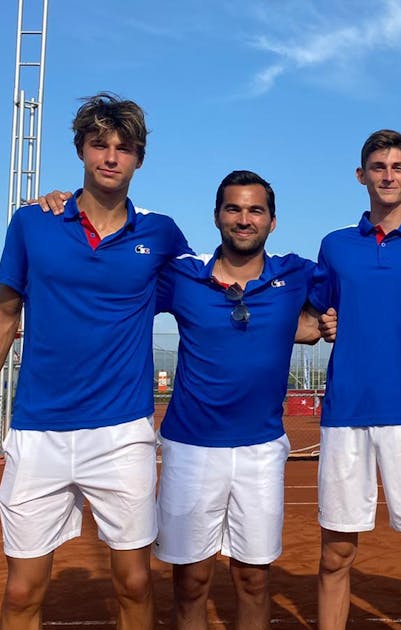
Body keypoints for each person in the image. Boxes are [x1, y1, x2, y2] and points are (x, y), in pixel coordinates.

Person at [0, 93, 189, 629]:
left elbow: (212, 292)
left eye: (124, 148)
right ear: (81, 151)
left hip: (122, 432)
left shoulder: (161, 234)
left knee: (135, 582)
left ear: (139, 158)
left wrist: (304, 323)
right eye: (99, 145)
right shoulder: (32, 222)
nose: (111, 157)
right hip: (38, 430)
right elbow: (3, 314)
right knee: (22, 591)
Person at [152, 170, 323, 630]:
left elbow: (368, 284)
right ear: (216, 216)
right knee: (190, 584)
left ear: (272, 221)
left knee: (253, 581)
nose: (243, 219)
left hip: (261, 450)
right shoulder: (183, 276)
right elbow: (113, 285)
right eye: (233, 209)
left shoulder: (296, 273)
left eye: (255, 210)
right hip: (190, 450)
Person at [308, 129, 401, 630]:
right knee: (334, 556)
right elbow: (312, 314)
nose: (387, 175)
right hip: (346, 415)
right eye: (377, 167)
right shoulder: (335, 246)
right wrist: (325, 325)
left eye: (397, 167)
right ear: (361, 175)